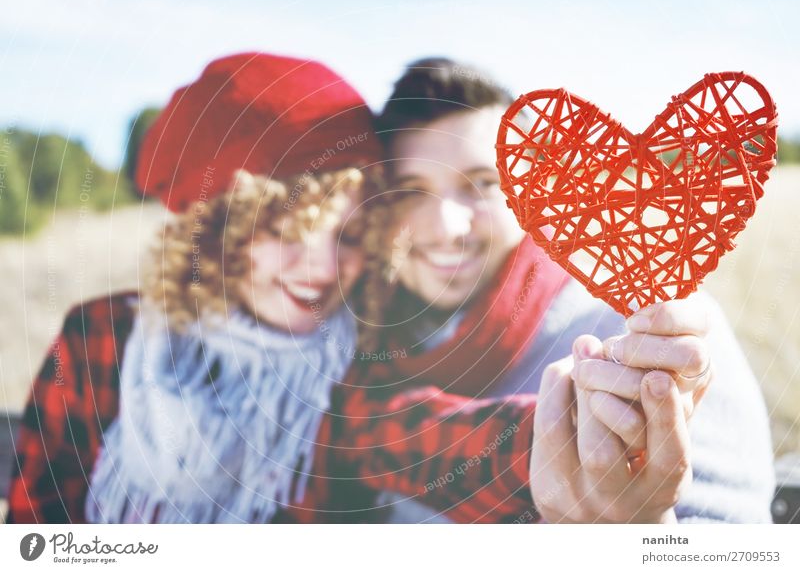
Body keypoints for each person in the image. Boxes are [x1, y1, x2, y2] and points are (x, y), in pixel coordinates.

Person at [336, 57, 775, 523]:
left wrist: (634, 528)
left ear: (530, 188)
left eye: (483, 182)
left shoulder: (647, 337)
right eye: (411, 190)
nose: (447, 226)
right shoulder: (359, 346)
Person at [7, 52, 385, 523]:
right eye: (287, 231)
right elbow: (37, 520)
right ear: (214, 231)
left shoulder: (360, 368)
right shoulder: (103, 337)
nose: (327, 268)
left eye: (350, 236)